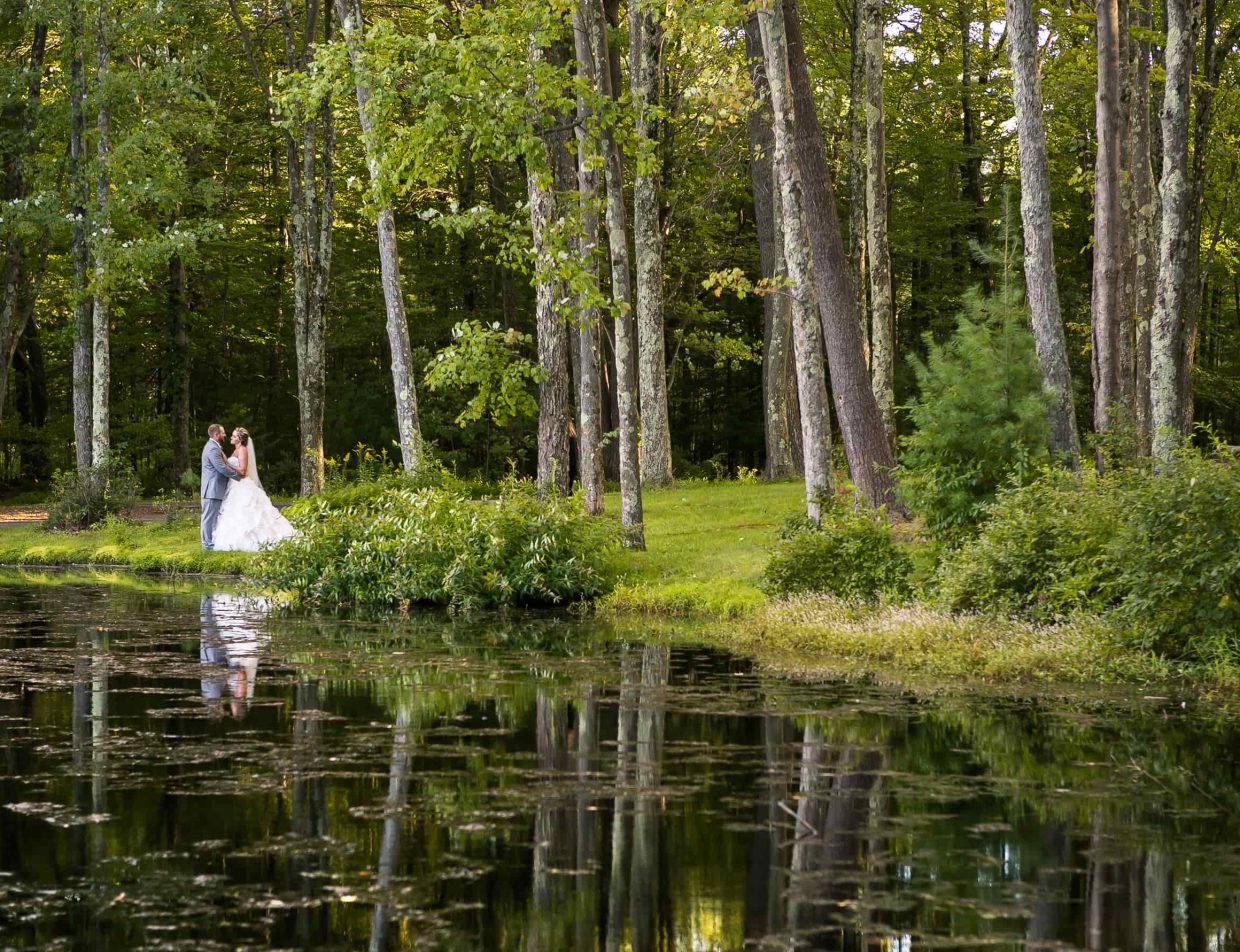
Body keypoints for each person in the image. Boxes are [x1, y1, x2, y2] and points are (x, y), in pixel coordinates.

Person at [212, 427, 298, 552]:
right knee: (234, 513)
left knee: (248, 512)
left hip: (241, 485)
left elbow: (242, 470)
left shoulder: (242, 450)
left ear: (240, 440)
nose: (231, 437)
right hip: (234, 486)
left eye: (234, 436)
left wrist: (227, 463)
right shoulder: (236, 450)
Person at [200, 423, 243, 550]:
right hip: (212, 490)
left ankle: (210, 543)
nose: (225, 434)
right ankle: (207, 545)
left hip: (215, 489)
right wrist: (238, 477)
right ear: (216, 434)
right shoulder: (213, 448)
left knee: (212, 518)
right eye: (223, 432)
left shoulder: (214, 447)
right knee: (208, 518)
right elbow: (221, 468)